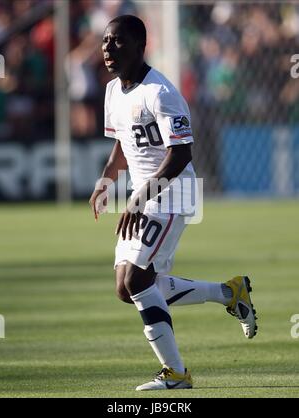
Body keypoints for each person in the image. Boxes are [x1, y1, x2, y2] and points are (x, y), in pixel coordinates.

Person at [89, 15, 258, 391]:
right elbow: (123, 144)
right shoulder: (114, 91)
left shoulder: (161, 92)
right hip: (145, 194)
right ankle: (229, 293)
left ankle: (177, 375)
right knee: (127, 288)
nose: (107, 48)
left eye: (117, 41)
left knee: (136, 280)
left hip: (173, 193)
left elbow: (180, 154)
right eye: (104, 41)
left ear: (138, 45)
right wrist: (106, 181)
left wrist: (138, 198)